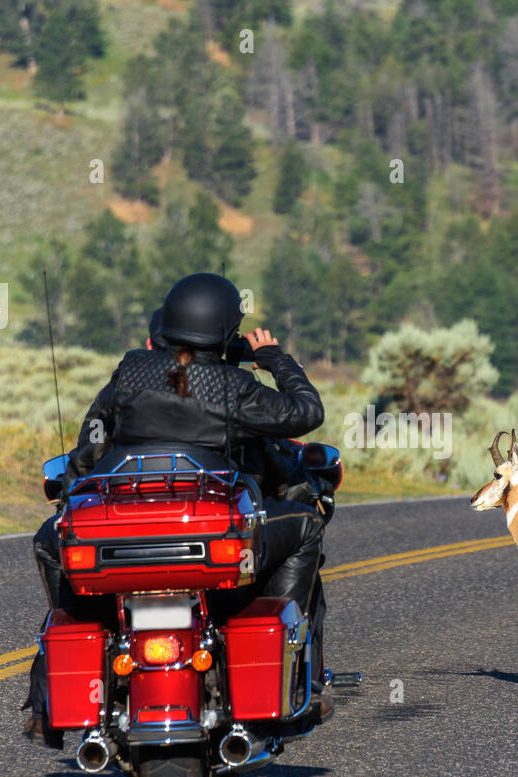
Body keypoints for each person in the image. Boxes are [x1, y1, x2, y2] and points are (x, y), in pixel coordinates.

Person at [23, 272, 329, 743]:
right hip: (204, 538)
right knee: (306, 526)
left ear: (166, 325)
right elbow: (306, 413)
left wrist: (73, 483)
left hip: (123, 540)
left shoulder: (131, 371)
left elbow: (92, 443)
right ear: (226, 332)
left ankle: (51, 685)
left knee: (52, 539)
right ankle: (286, 664)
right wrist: (273, 358)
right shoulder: (232, 385)